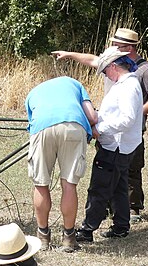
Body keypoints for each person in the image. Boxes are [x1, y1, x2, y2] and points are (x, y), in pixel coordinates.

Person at [51, 28, 148, 221]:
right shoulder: (112, 62)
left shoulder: (144, 70)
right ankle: (113, 214)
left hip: (129, 130)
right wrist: (70, 54)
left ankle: (131, 209)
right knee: (112, 171)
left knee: (130, 171)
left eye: (116, 45)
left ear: (128, 48)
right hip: (111, 129)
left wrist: (138, 113)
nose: (111, 47)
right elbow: (92, 60)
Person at [73, 46, 143, 242]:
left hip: (116, 146)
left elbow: (127, 119)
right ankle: (121, 225)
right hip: (120, 146)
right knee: (119, 186)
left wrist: (99, 130)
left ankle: (87, 231)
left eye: (105, 71)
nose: (105, 74)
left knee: (99, 188)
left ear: (114, 66)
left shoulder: (128, 86)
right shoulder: (125, 84)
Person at [24, 76, 98, 252]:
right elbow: (92, 116)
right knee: (69, 185)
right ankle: (69, 238)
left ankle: (43, 237)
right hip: (73, 126)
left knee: (41, 184)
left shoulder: (34, 92)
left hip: (42, 127)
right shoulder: (76, 84)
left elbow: (32, 120)